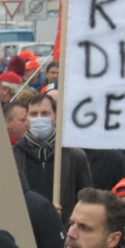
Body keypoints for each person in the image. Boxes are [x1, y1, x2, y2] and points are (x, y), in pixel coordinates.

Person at [13, 94, 92, 222]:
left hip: (64, 230)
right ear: (26, 119)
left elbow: (86, 200)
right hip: (27, 228)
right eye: (34, 114)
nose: (39, 118)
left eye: (45, 113)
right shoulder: (14, 156)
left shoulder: (74, 156)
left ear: (55, 117)